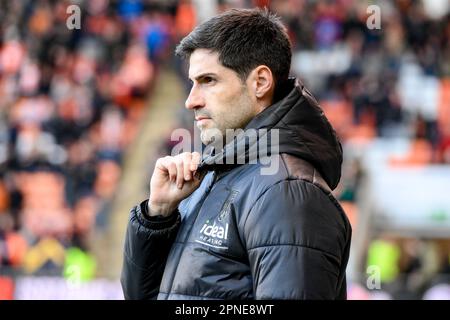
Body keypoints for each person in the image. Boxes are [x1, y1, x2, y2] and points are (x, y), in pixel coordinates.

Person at [121, 8, 352, 300]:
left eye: (208, 81)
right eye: (192, 83)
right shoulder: (211, 177)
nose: (191, 100)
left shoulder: (288, 192)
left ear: (260, 82)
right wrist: (158, 216)